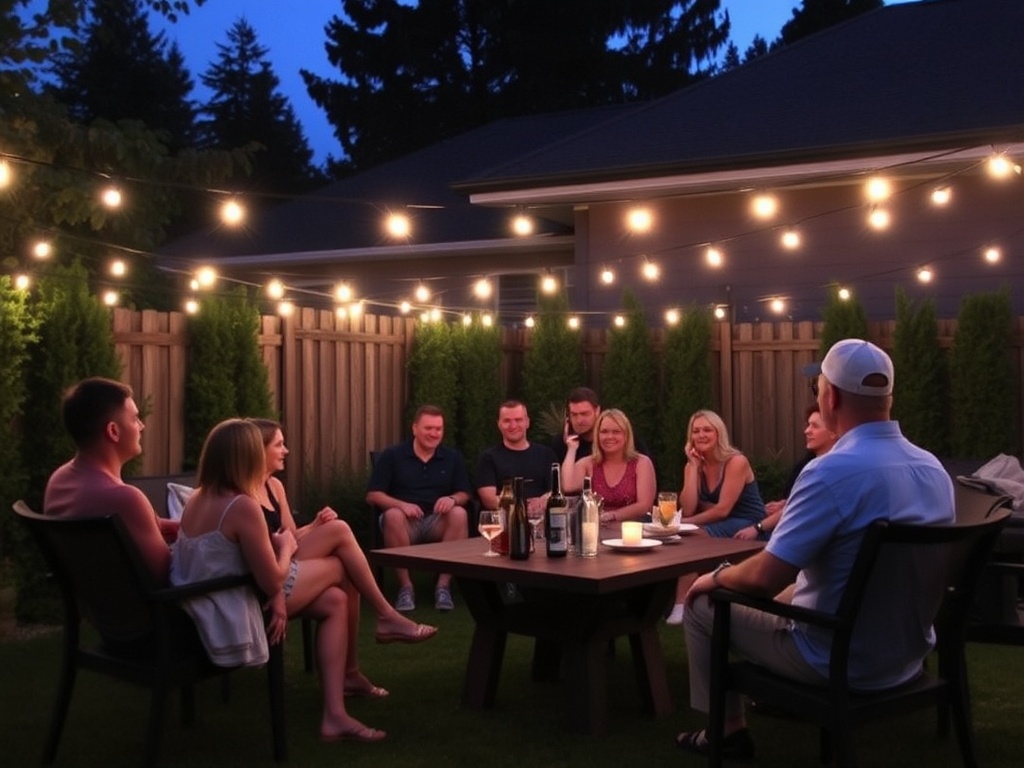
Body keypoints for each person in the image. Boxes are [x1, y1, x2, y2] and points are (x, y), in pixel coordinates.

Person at [674, 339, 954, 761]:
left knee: (701, 605)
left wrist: (713, 577)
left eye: (817, 389)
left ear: (831, 396)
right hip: (908, 655)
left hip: (835, 659)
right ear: (888, 398)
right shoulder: (934, 470)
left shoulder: (829, 472)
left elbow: (764, 577)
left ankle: (727, 732)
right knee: (793, 592)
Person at [172, 419, 385, 743]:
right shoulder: (241, 505)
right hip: (235, 609)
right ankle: (383, 618)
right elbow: (272, 577)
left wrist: (284, 568)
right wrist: (285, 551)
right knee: (341, 567)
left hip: (209, 603)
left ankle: (335, 714)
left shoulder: (197, 498)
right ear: (245, 456)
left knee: (336, 600)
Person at [249, 419, 437, 697]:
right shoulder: (244, 496)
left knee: (341, 563)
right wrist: (300, 540)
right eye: (279, 444)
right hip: (268, 576)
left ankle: (350, 673)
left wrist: (313, 526)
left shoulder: (274, 486)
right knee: (341, 547)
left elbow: (289, 534)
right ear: (257, 451)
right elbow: (267, 549)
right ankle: (385, 616)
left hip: (287, 561)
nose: (286, 450)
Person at [44, 377, 178, 588]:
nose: (141, 426)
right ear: (113, 431)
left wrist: (192, 527)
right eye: (135, 419)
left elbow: (136, 527)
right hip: (152, 616)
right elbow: (166, 575)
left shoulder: (59, 480)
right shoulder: (124, 499)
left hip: (102, 609)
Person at [664, 409, 767, 624]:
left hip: (746, 521)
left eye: (707, 430)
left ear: (718, 433)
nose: (701, 435)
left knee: (691, 538)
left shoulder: (736, 462)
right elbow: (689, 507)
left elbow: (723, 509)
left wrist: (682, 523)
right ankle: (677, 600)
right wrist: (693, 468)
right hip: (716, 520)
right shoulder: (693, 465)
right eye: (696, 431)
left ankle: (681, 603)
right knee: (680, 536)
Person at [367, 405, 472, 612]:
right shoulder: (393, 455)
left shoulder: (452, 458)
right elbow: (373, 495)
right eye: (428, 428)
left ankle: (443, 586)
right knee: (393, 515)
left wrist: (452, 499)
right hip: (404, 523)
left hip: (437, 520)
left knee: (459, 513)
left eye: (438, 429)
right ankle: (406, 588)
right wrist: (400, 504)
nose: (434, 433)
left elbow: (465, 493)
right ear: (415, 428)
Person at [733, 403, 837, 541]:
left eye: (815, 426)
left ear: (833, 433)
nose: (807, 431)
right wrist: (785, 502)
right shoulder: (807, 463)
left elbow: (799, 507)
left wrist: (757, 527)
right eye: (808, 425)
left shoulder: (827, 469)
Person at [561, 408, 656, 524]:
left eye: (616, 432)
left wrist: (613, 515)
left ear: (626, 436)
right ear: (597, 435)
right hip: (598, 531)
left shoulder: (641, 463)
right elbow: (568, 486)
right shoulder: (588, 463)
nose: (609, 437)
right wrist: (572, 448)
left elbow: (645, 505)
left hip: (633, 531)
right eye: (604, 432)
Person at [475, 400, 556, 515]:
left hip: (542, 517)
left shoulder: (546, 454)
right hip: (506, 519)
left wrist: (543, 502)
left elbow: (555, 491)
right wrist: (521, 510)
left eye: (518, 420)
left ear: (527, 422)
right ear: (499, 424)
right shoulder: (488, 458)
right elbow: (489, 500)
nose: (513, 426)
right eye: (507, 421)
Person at [549, 386, 652, 464]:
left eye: (584, 414)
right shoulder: (561, 444)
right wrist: (570, 449)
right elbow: (558, 484)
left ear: (597, 410)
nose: (579, 420)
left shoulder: (620, 439)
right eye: (574, 414)